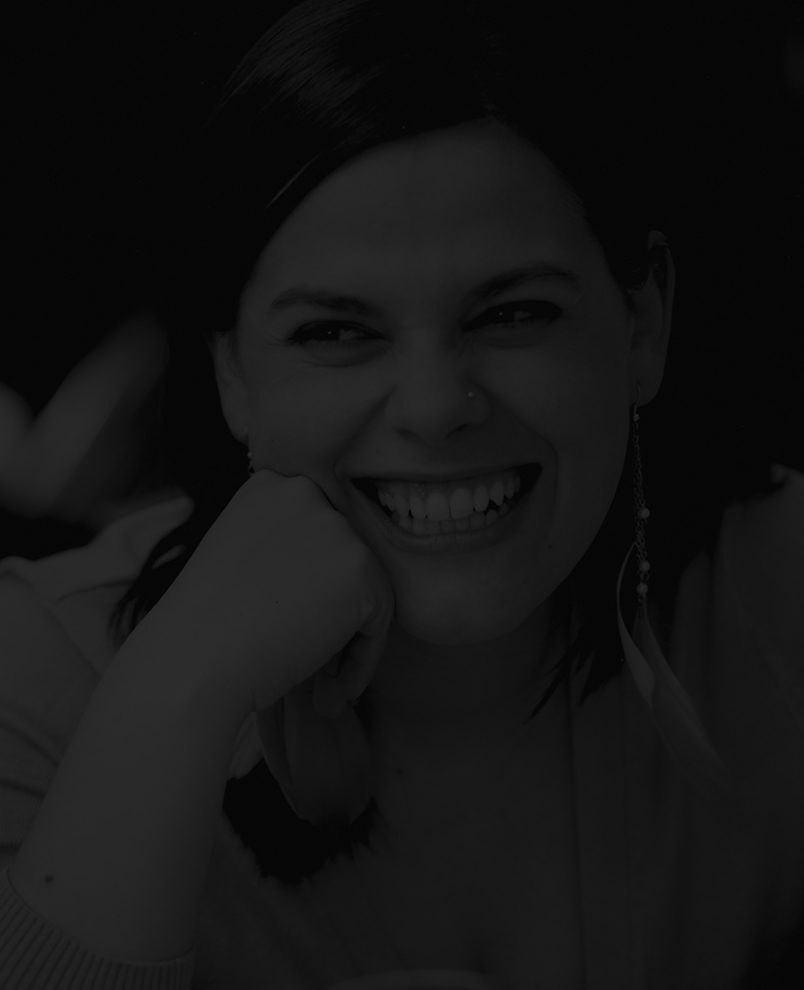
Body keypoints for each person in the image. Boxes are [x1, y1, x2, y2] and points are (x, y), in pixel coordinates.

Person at [1, 1, 802, 988]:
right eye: (336, 332)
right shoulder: (31, 683)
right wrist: (172, 697)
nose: (432, 408)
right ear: (231, 371)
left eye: (514, 313)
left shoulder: (778, 591)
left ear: (643, 322)